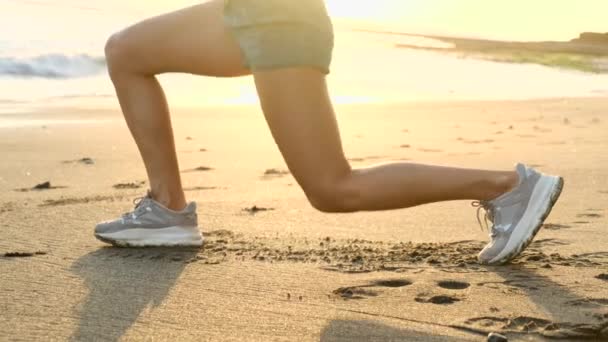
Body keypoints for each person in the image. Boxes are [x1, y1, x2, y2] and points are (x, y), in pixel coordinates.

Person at [95, 0, 564, 265]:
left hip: (279, 19)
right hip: (242, 12)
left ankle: (509, 187)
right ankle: (167, 209)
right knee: (126, 51)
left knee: (333, 189)